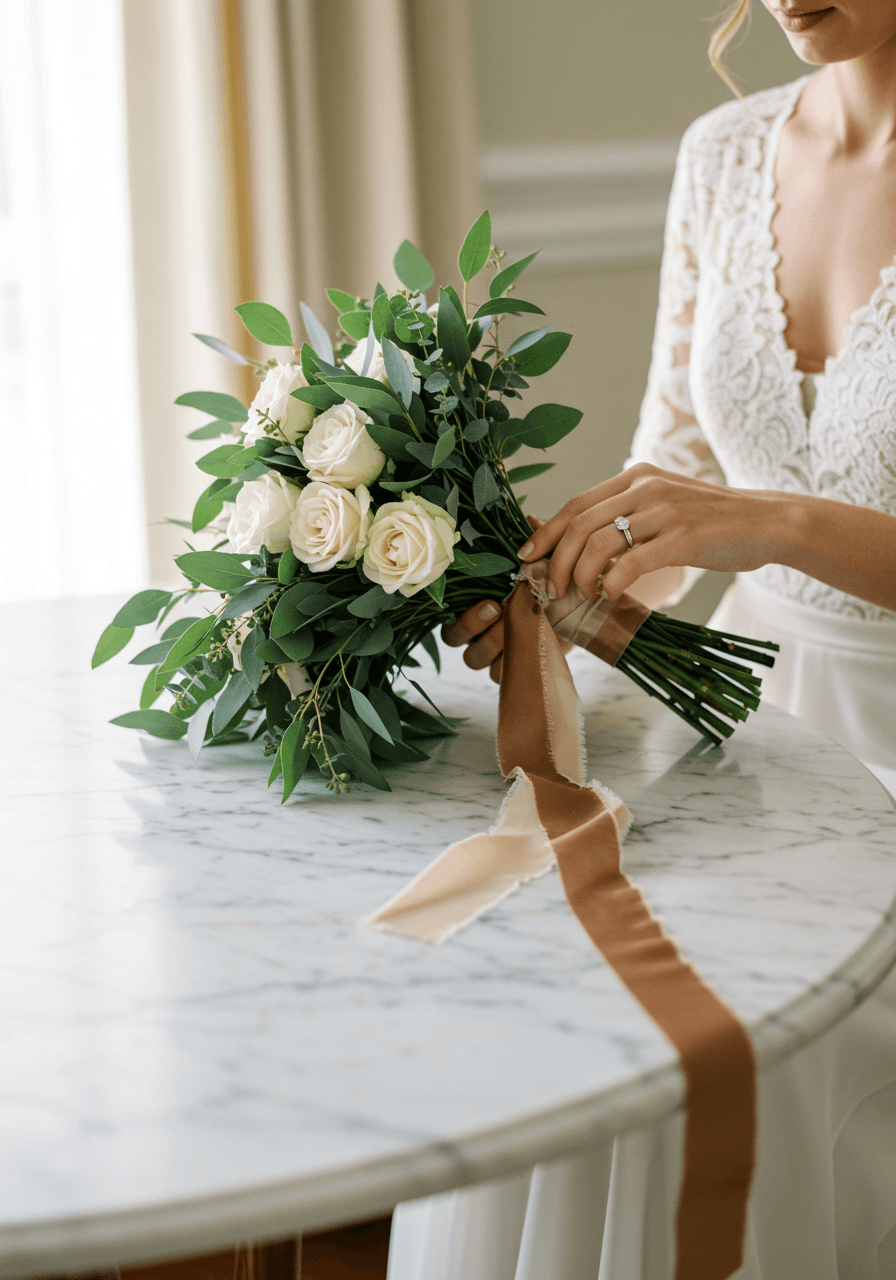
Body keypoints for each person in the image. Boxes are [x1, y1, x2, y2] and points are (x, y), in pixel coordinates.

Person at [387, 3, 896, 1277]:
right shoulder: (721, 153)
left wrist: (773, 520)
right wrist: (550, 594)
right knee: (559, 986)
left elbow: (741, 512)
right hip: (755, 726)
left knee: (761, 1037)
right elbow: (671, 470)